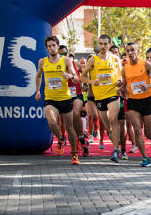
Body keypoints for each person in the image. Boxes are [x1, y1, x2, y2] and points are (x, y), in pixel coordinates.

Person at [35, 36, 80, 165]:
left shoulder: (65, 60)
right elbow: (38, 76)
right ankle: (60, 138)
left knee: (70, 127)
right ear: (47, 48)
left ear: (58, 46)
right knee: (51, 120)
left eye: (54, 45)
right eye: (49, 46)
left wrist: (70, 75)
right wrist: (37, 91)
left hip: (65, 98)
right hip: (50, 98)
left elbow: (76, 78)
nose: (52, 48)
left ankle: (74, 153)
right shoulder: (42, 62)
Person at [80, 35, 123, 163]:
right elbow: (82, 77)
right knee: (108, 125)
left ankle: (115, 150)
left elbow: (121, 75)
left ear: (109, 45)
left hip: (113, 93)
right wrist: (92, 81)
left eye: (105, 44)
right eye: (101, 44)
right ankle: (115, 141)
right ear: (98, 44)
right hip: (99, 96)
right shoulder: (93, 60)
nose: (103, 46)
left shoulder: (115, 58)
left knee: (113, 119)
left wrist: (120, 82)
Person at [122, 42, 151, 167]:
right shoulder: (125, 68)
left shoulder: (145, 64)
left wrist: (148, 85)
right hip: (133, 102)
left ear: (137, 51)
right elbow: (124, 86)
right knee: (137, 129)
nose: (130, 53)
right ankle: (145, 157)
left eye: (132, 50)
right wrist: (121, 89)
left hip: (146, 100)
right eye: (128, 50)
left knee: (148, 133)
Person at [58, 45, 89, 157]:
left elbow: (85, 73)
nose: (62, 55)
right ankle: (66, 139)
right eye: (60, 53)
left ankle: (81, 137)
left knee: (76, 113)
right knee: (65, 121)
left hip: (77, 94)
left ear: (68, 53)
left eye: (64, 53)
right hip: (64, 96)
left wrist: (85, 84)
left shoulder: (74, 63)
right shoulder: (57, 66)